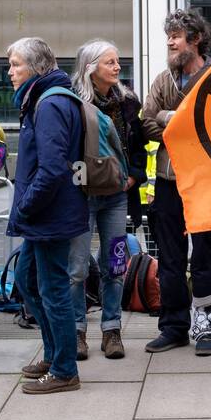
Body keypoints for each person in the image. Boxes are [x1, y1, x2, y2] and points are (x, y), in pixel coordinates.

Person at [140, 8, 211, 357]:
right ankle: (173, 327)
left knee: (206, 257)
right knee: (171, 259)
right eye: (168, 38)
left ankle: (206, 327)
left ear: (196, 40)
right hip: (168, 181)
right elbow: (146, 122)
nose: (170, 43)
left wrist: (173, 122)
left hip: (208, 182)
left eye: (176, 37)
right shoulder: (163, 80)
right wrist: (174, 121)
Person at [6, 37, 89, 393]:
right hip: (46, 213)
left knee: (53, 289)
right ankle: (55, 354)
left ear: (37, 68)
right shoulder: (43, 98)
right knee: (26, 281)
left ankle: (65, 369)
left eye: (15, 65)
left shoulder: (51, 103)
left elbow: (53, 168)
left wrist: (26, 206)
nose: (10, 72)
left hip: (49, 214)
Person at [69, 39, 147, 360]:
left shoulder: (128, 103)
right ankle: (77, 332)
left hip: (116, 196)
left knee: (115, 264)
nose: (117, 68)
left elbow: (139, 146)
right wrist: (75, 182)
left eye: (117, 62)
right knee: (75, 268)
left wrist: (133, 176)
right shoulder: (72, 103)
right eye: (109, 63)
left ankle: (111, 330)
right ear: (91, 69)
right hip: (82, 196)